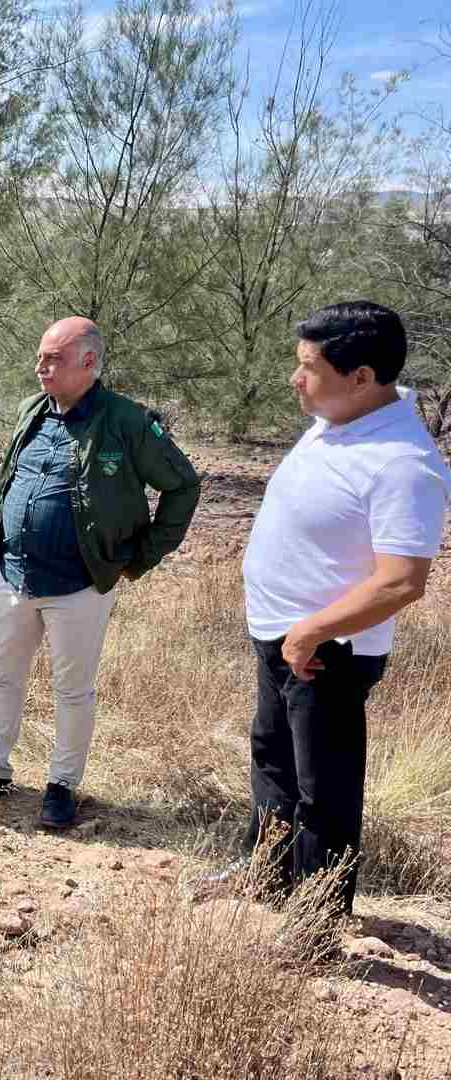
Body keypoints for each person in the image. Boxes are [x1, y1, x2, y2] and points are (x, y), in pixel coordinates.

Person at [197, 302, 449, 914]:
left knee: (324, 790)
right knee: (274, 764)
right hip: (284, 635)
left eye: (308, 367)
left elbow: (402, 582)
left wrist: (311, 631)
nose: (295, 379)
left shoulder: (403, 463)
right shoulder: (338, 419)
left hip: (329, 649)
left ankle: (315, 922)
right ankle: (265, 878)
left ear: (362, 377)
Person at [0, 317, 201, 827]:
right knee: (3, 675)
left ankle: (61, 784)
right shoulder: (32, 410)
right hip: (14, 575)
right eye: (40, 356)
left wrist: (141, 556)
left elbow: (183, 487)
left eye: (53, 359)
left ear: (88, 362)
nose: (40, 367)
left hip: (81, 583)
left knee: (72, 687)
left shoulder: (126, 421)